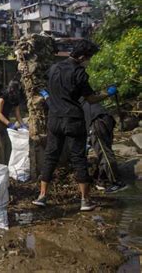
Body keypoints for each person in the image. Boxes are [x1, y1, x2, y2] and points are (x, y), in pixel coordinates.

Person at [32, 39, 118, 212]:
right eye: (89, 57)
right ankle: (85, 200)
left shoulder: (54, 68)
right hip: (73, 120)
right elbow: (91, 99)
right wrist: (107, 93)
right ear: (82, 56)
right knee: (79, 158)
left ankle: (42, 196)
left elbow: (51, 91)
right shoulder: (79, 72)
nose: (89, 61)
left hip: (55, 119)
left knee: (50, 156)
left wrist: (48, 97)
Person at [81, 99, 128, 193]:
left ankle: (117, 183)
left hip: (97, 121)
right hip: (106, 119)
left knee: (104, 153)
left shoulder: (72, 100)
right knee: (105, 150)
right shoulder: (83, 97)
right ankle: (101, 180)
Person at [0, 80, 26, 165]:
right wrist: (9, 124)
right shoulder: (3, 97)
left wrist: (22, 124)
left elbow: (17, 113)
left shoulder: (15, 98)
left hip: (5, 120)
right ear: (11, 89)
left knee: (7, 146)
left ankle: (6, 166)